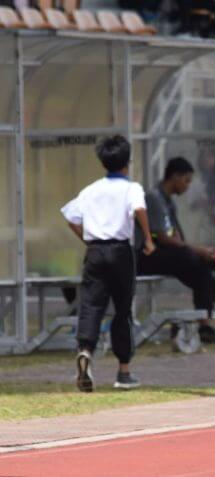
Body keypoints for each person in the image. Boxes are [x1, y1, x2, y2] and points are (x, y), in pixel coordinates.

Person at [61, 135, 154, 393]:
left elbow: (70, 216)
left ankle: (85, 352)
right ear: (127, 161)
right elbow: (139, 210)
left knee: (91, 305)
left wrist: (87, 239)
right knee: (122, 309)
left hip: (95, 250)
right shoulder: (131, 188)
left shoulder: (90, 190)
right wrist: (147, 238)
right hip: (120, 250)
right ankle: (123, 371)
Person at [136, 157, 215, 346]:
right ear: (174, 177)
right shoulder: (153, 197)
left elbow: (176, 237)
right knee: (194, 258)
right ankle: (214, 294)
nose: (187, 186)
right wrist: (197, 250)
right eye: (186, 181)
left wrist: (201, 252)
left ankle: (205, 324)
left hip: (166, 254)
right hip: (146, 255)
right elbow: (162, 237)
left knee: (203, 265)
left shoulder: (169, 202)